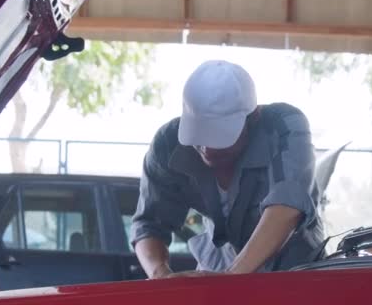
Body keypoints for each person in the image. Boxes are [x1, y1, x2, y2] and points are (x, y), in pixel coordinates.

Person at [131, 60, 324, 278]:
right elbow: (149, 224)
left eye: (221, 138)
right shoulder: (167, 144)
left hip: (295, 276)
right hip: (219, 271)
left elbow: (287, 207)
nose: (208, 148)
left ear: (253, 118)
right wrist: (161, 277)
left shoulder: (284, 126)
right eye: (199, 136)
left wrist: (230, 278)